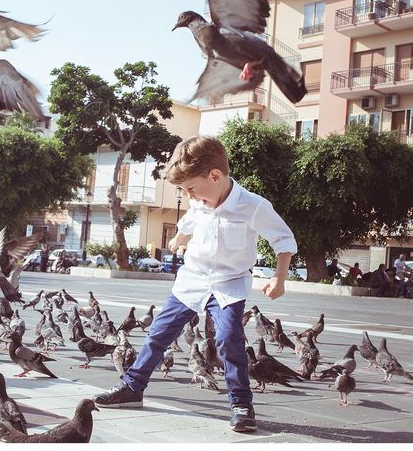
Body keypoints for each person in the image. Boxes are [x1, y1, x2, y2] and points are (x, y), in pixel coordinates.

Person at [93, 135, 297, 433]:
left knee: (229, 340)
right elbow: (188, 222)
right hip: (192, 281)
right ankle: (132, 387)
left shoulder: (253, 206)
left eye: (191, 188)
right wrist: (179, 237)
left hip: (228, 284)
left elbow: (284, 239)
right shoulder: (199, 202)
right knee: (158, 335)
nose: (190, 196)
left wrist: (279, 276)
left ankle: (241, 403)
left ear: (215, 176)